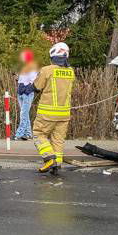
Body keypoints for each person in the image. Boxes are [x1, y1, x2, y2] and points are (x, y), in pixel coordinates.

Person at [32, 42, 75, 174]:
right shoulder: (71, 71)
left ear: (52, 56)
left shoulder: (47, 70)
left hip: (47, 113)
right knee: (58, 139)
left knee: (39, 134)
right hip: (64, 113)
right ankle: (57, 165)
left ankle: (49, 158)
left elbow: (37, 87)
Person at [14, 49, 38, 140]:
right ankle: (27, 134)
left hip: (27, 93)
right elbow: (20, 80)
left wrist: (27, 89)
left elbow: (33, 81)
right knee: (25, 113)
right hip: (20, 92)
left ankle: (19, 134)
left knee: (23, 114)